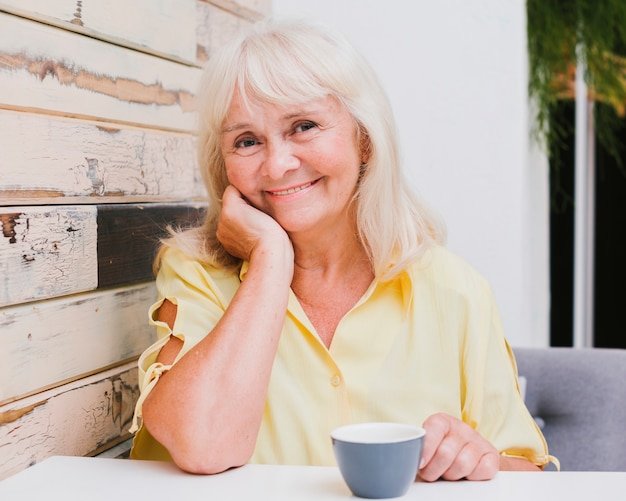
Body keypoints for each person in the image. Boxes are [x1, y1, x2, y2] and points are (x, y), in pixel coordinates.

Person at [129, 20, 555, 481]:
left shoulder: (454, 288)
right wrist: (272, 260)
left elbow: (525, 475)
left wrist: (477, 458)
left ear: (365, 139)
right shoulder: (195, 274)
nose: (276, 165)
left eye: (304, 126)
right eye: (247, 141)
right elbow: (204, 445)